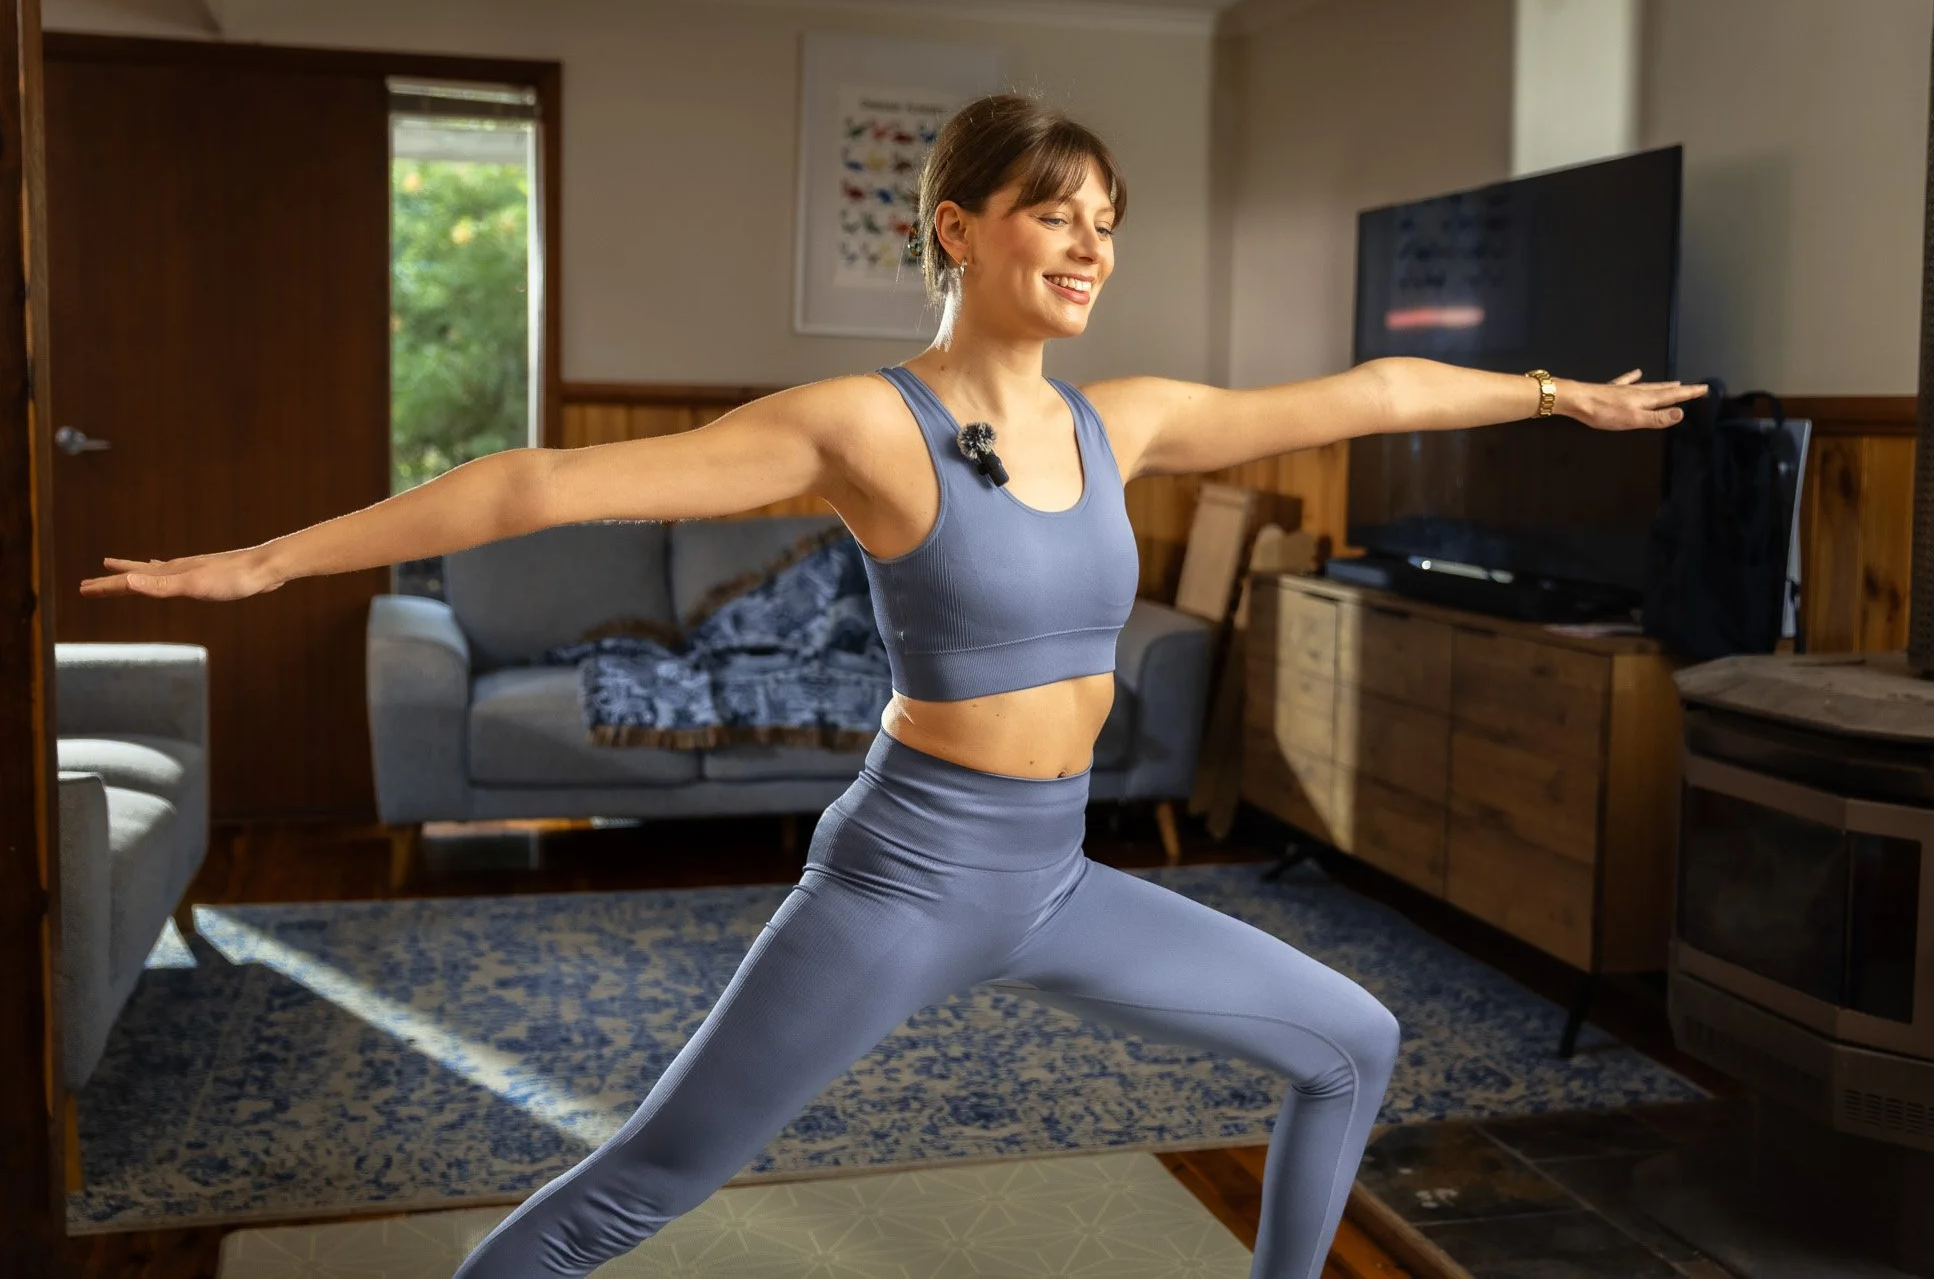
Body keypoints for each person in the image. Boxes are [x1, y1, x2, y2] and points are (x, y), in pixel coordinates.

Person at [82, 92, 1705, 1278]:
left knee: (1351, 1037)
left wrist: (1558, 392)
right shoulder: (867, 426)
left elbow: (1362, 388)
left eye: (1106, 220)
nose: (1090, 243)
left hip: (1059, 877)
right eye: (1055, 211)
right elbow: (529, 487)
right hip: (908, 873)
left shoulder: (1116, 420)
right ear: (958, 227)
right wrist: (270, 561)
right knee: (646, 1180)